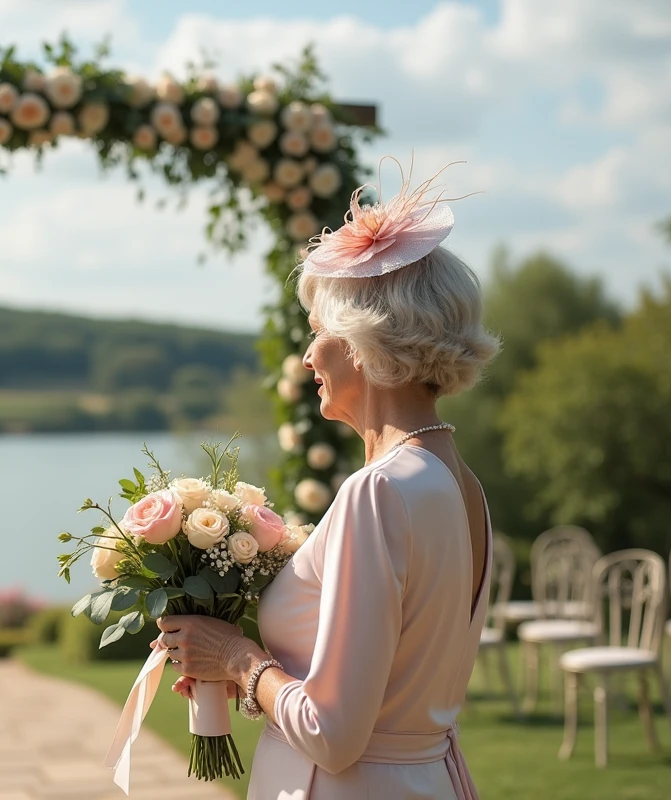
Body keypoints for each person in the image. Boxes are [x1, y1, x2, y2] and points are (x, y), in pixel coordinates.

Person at [154, 159, 501, 799]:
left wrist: (237, 658)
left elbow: (333, 733)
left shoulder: (380, 491)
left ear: (365, 340)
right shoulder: (462, 486)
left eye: (318, 334)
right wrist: (251, 672)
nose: (308, 356)